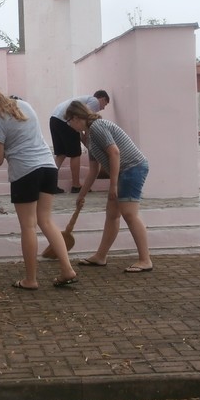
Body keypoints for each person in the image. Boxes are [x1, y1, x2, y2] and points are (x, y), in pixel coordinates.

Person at [0, 84, 78, 289]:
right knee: (45, 221)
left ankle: (30, 279)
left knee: (28, 225)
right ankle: (67, 269)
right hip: (48, 167)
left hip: (25, 172)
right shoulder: (24, 106)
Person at [64, 100, 153, 273]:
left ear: (76, 118)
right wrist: (81, 194)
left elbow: (114, 152)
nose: (69, 126)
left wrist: (112, 185)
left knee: (129, 213)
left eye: (69, 121)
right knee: (112, 214)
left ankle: (145, 260)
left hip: (132, 168)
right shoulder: (89, 135)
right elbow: (94, 170)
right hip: (123, 172)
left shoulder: (97, 126)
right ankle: (100, 256)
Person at [49, 90, 110, 193]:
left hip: (54, 119)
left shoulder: (83, 100)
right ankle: (76, 185)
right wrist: (87, 139)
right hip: (66, 121)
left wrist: (84, 139)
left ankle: (49, 184)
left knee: (61, 154)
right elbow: (86, 119)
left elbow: (80, 124)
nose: (103, 108)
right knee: (76, 154)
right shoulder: (95, 101)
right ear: (102, 99)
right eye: (105, 104)